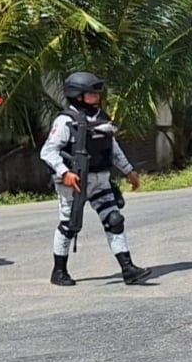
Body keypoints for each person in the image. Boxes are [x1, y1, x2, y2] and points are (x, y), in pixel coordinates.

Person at [39, 71, 151, 286]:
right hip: (74, 182)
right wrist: (65, 173)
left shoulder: (101, 118)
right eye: (91, 94)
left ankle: (128, 269)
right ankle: (59, 271)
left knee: (114, 220)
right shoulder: (66, 121)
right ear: (77, 95)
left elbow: (113, 148)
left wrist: (128, 170)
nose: (96, 97)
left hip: (100, 179)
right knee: (69, 226)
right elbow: (48, 151)